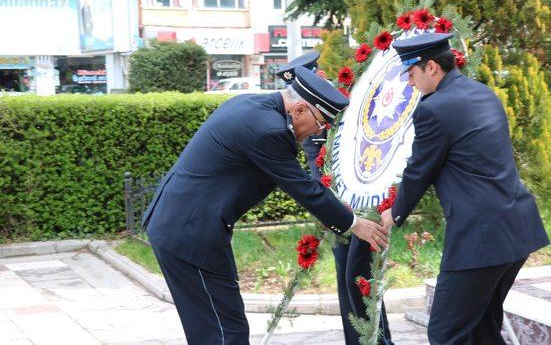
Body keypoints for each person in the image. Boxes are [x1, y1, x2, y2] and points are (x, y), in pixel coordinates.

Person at [142, 67, 389, 345]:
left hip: (180, 225)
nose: (316, 132)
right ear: (299, 110)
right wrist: (353, 223)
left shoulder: (250, 104)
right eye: (320, 124)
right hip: (190, 234)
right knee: (224, 331)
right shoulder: (268, 131)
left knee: (212, 327)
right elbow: (302, 186)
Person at [380, 32, 550, 344]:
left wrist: (396, 212)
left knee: (446, 333)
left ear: (431, 67)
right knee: (481, 330)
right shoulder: (482, 92)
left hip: (480, 238)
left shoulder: (434, 108)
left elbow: (420, 170)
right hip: (516, 227)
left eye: (412, 73)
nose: (410, 82)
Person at [276, 53, 393, 344]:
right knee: (350, 279)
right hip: (343, 212)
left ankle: (376, 339)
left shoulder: (346, 102)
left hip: (366, 205)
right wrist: (337, 216)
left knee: (361, 278)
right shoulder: (314, 118)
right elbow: (318, 172)